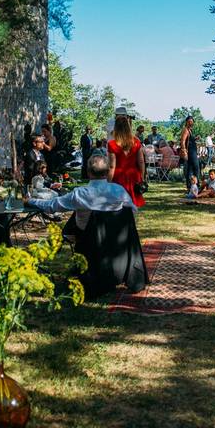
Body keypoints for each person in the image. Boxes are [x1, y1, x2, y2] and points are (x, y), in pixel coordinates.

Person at [30, 153, 146, 298]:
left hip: (89, 241)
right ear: (107, 171)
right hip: (117, 240)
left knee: (76, 219)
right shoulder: (119, 191)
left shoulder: (80, 194)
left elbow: (52, 206)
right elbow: (132, 211)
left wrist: (31, 201)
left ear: (88, 172)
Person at [108, 115, 146, 208]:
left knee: (117, 206)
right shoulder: (136, 142)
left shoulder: (112, 144)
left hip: (118, 177)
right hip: (134, 176)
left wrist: (108, 182)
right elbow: (141, 161)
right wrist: (142, 177)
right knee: (133, 205)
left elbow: (112, 166)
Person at [180, 115, 201, 191]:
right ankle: (195, 185)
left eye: (192, 121)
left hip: (193, 152)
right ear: (186, 122)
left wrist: (195, 138)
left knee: (191, 169)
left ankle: (191, 186)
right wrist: (184, 151)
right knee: (196, 168)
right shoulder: (185, 130)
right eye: (189, 121)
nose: (191, 123)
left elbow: (189, 141)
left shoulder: (190, 130)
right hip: (190, 152)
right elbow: (182, 141)